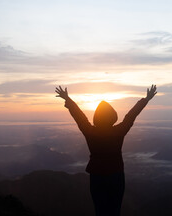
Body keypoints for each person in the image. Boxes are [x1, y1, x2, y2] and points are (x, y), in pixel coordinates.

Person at [55, 85, 157, 216]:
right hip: (116, 175)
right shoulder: (118, 132)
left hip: (97, 176)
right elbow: (131, 116)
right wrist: (146, 99)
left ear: (96, 117)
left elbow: (79, 117)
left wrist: (68, 100)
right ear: (113, 116)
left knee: (100, 210)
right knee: (115, 210)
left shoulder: (90, 131)